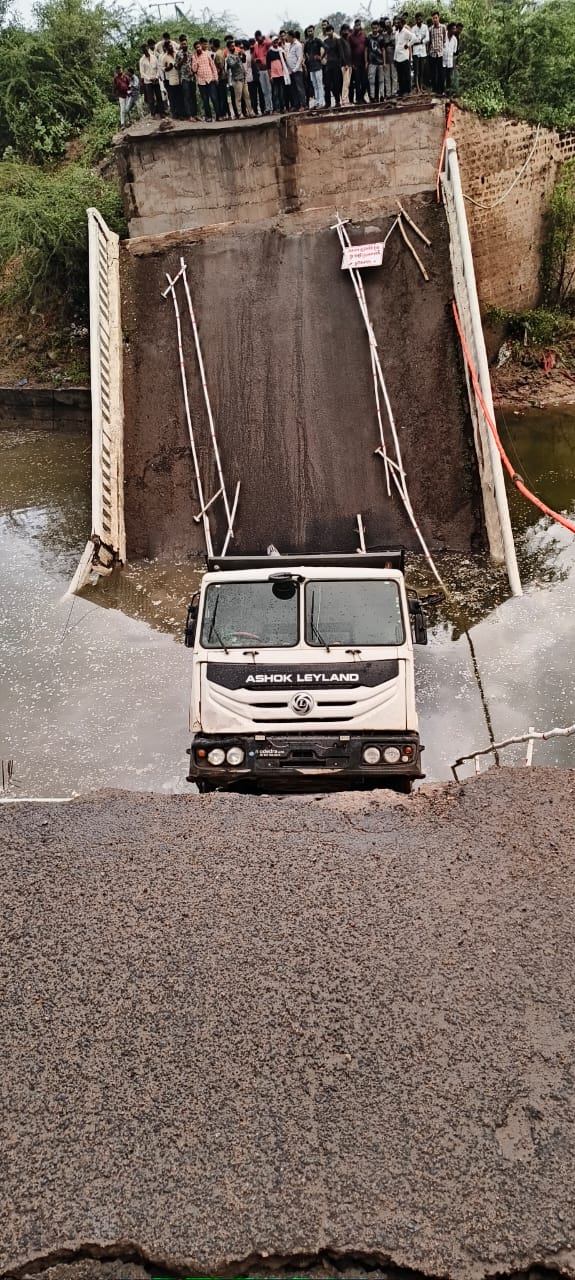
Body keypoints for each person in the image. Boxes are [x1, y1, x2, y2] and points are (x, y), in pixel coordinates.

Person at [192, 37, 220, 120]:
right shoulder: (194, 57)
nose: (198, 48)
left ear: (201, 46)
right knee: (205, 100)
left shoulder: (207, 54)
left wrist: (216, 77)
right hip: (201, 82)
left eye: (199, 46)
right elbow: (194, 70)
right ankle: (209, 117)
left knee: (214, 98)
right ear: (195, 49)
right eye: (196, 47)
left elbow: (213, 66)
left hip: (210, 79)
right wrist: (196, 60)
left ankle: (218, 116)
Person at [226, 37, 254, 116]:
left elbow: (244, 60)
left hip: (243, 78)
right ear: (228, 47)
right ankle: (239, 113)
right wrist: (238, 57)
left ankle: (251, 112)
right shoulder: (229, 57)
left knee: (247, 96)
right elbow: (232, 65)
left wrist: (243, 55)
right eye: (231, 46)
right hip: (236, 79)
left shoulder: (237, 54)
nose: (233, 47)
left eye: (234, 46)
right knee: (238, 98)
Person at [175, 35, 198, 120]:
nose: (184, 45)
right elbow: (176, 66)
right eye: (183, 44)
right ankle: (189, 115)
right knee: (187, 96)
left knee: (193, 96)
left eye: (185, 44)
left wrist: (194, 73)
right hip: (184, 78)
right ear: (181, 45)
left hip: (192, 77)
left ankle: (195, 114)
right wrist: (182, 61)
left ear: (187, 44)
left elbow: (194, 64)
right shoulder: (178, 54)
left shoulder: (190, 53)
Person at [139, 44, 163, 116]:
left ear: (148, 48)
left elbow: (159, 68)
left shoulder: (154, 57)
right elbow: (142, 73)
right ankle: (153, 114)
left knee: (159, 97)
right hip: (148, 82)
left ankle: (161, 112)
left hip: (156, 80)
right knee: (151, 99)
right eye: (143, 50)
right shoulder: (141, 60)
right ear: (142, 51)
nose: (145, 50)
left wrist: (156, 76)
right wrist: (149, 78)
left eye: (146, 48)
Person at [323, 24, 343, 108]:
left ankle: (337, 101)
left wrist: (341, 64)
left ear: (333, 31)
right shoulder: (325, 41)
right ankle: (327, 103)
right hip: (328, 65)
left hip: (336, 64)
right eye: (327, 31)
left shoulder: (337, 41)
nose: (329, 32)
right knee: (327, 85)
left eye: (330, 30)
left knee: (336, 84)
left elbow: (340, 53)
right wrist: (321, 58)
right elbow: (325, 51)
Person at [284, 30, 306, 109]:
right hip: (290, 71)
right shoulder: (289, 45)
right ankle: (296, 105)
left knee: (300, 88)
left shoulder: (298, 45)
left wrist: (295, 68)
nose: (286, 38)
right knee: (293, 89)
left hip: (297, 70)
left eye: (287, 36)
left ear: (291, 36)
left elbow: (300, 58)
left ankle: (303, 104)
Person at [161, 40, 183, 117]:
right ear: (166, 48)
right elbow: (162, 68)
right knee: (174, 97)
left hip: (180, 77)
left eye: (171, 45)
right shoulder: (164, 57)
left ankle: (182, 113)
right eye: (169, 46)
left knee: (181, 96)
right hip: (172, 78)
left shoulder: (177, 53)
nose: (171, 47)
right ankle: (176, 113)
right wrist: (167, 68)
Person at [304, 26, 324, 107]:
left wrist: (321, 57)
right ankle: (316, 102)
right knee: (314, 85)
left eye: (311, 31)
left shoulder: (317, 41)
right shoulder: (307, 42)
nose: (310, 33)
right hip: (311, 67)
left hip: (318, 66)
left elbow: (326, 47)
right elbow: (304, 52)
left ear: (314, 31)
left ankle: (321, 102)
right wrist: (308, 58)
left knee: (319, 84)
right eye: (308, 31)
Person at [267, 36, 288, 112]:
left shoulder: (280, 51)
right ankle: (276, 108)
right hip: (274, 75)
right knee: (275, 93)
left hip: (281, 74)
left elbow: (284, 61)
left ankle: (282, 108)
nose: (275, 42)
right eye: (274, 41)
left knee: (281, 92)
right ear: (272, 42)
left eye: (277, 41)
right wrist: (270, 76)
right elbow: (268, 66)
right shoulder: (269, 52)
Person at [253, 30, 273, 113]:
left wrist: (265, 37)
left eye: (259, 38)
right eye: (257, 39)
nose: (258, 40)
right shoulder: (256, 46)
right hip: (260, 70)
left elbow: (271, 43)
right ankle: (268, 108)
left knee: (269, 89)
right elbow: (254, 57)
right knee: (264, 91)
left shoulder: (266, 43)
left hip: (267, 69)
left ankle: (272, 107)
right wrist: (257, 60)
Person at [349, 18, 367, 104]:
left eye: (359, 25)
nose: (357, 27)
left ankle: (362, 97)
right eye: (356, 25)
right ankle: (358, 99)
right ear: (354, 26)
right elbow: (349, 51)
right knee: (357, 82)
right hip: (355, 63)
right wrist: (351, 63)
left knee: (364, 81)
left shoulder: (364, 35)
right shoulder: (351, 37)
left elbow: (367, 47)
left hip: (364, 61)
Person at [393, 16, 413, 97]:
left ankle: (408, 91)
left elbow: (414, 38)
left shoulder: (406, 32)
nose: (397, 24)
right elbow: (396, 46)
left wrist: (408, 45)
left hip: (405, 56)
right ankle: (401, 90)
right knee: (400, 75)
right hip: (398, 57)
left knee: (406, 75)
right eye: (397, 23)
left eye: (399, 22)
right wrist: (394, 58)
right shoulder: (397, 33)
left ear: (402, 23)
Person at [366, 20, 384, 104]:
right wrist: (366, 61)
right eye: (373, 28)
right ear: (371, 28)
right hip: (371, 62)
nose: (375, 29)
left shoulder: (381, 38)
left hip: (380, 62)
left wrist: (384, 62)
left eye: (376, 28)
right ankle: (372, 97)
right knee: (371, 80)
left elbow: (383, 50)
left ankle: (382, 96)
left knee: (381, 80)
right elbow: (366, 50)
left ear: (378, 28)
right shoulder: (368, 38)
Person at [428, 11, 446, 94]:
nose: (435, 20)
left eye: (436, 18)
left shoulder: (443, 27)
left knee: (441, 72)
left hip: (440, 53)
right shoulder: (430, 29)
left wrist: (443, 49)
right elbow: (430, 41)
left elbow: (444, 40)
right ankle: (434, 89)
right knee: (433, 72)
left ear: (439, 18)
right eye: (433, 18)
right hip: (432, 53)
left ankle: (441, 89)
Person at [411, 12, 429, 92]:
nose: (419, 19)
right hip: (415, 52)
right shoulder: (413, 28)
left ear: (422, 19)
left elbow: (427, 38)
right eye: (417, 18)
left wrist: (422, 41)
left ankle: (421, 86)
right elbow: (413, 40)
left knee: (422, 70)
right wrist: (420, 40)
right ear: (416, 19)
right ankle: (417, 87)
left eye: (420, 18)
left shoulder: (425, 27)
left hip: (423, 52)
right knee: (416, 71)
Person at [442, 22, 458, 95]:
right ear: (449, 29)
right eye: (453, 28)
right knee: (442, 76)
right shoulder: (443, 35)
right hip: (442, 60)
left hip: (450, 61)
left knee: (449, 77)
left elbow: (454, 51)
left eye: (455, 29)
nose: (454, 30)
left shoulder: (455, 39)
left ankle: (448, 91)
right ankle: (441, 91)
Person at [339, 24, 352, 106]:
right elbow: (341, 53)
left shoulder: (348, 41)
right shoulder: (340, 41)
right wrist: (345, 63)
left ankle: (346, 99)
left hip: (349, 64)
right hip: (344, 65)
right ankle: (344, 99)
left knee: (348, 83)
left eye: (347, 30)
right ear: (342, 31)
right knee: (345, 83)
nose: (346, 32)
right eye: (344, 30)